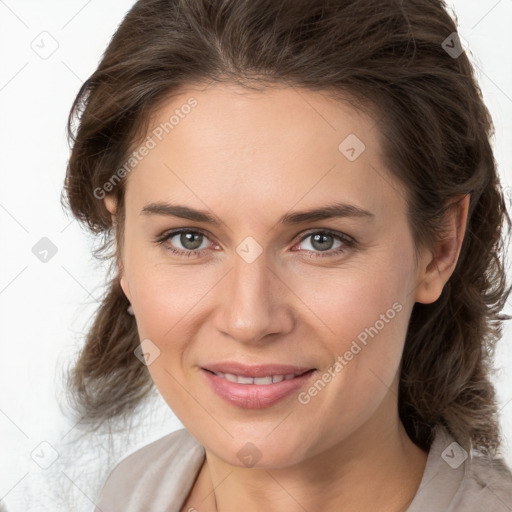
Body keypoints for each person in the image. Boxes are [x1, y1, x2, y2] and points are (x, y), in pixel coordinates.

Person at [61, 0, 512, 510]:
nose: (249, 320)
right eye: (188, 238)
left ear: (440, 247)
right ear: (122, 244)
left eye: (322, 240)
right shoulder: (129, 491)